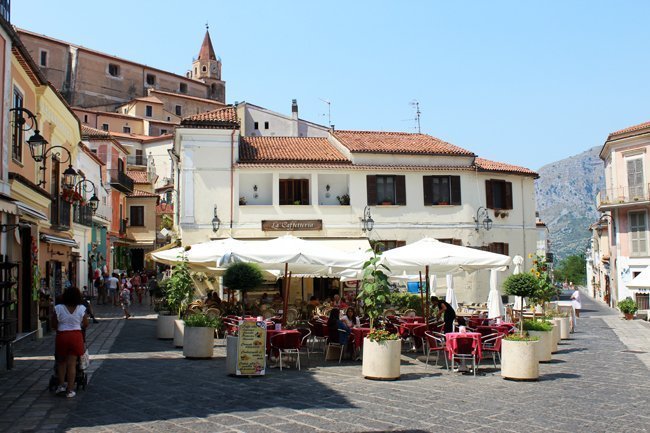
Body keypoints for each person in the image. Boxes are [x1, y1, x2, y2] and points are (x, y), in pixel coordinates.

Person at [51, 287, 89, 398]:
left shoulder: (58, 308)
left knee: (61, 362)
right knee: (72, 364)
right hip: (76, 336)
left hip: (62, 336)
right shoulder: (81, 308)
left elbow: (54, 324)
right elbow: (85, 324)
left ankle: (61, 385)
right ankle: (70, 390)